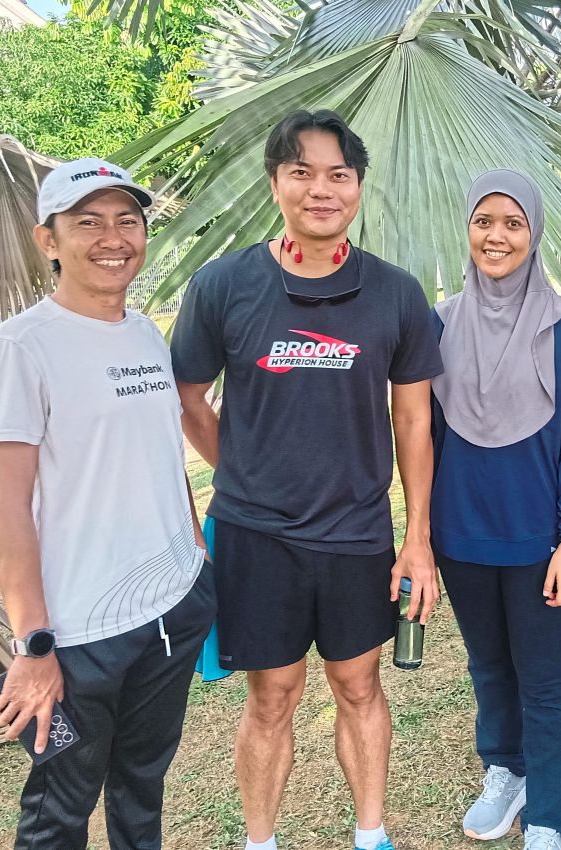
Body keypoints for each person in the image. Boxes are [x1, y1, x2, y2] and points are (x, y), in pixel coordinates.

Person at [169, 110, 444, 850]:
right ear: (276, 183)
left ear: (357, 187)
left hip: (357, 534)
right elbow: (188, 396)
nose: (320, 189)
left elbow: (414, 419)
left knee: (359, 688)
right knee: (271, 699)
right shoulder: (224, 285)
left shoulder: (394, 293)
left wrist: (416, 539)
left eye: (338, 175)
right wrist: (243, 473)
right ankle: (260, 842)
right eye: (302, 172)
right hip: (258, 539)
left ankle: (371, 834)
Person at [0, 157, 216, 850]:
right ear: (47, 240)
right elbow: (6, 505)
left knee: (142, 786)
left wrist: (194, 558)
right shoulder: (23, 346)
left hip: (170, 612)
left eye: (127, 220)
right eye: (88, 223)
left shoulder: (143, 332)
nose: (113, 237)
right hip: (79, 635)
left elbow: (160, 455)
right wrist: (34, 645)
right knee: (60, 809)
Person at [430, 170, 561, 850]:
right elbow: (422, 434)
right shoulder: (438, 322)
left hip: (539, 540)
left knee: (547, 677)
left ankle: (553, 811)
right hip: (462, 533)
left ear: (533, 234)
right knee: (488, 665)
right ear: (468, 229)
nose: (496, 235)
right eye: (484, 221)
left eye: (512, 223)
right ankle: (506, 770)